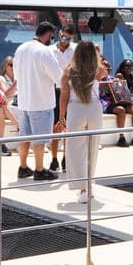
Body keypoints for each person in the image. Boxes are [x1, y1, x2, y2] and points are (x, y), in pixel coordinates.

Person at [13, 22, 67, 181]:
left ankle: (22, 167)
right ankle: (39, 169)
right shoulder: (44, 51)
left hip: (24, 102)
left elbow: (16, 74)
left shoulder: (21, 48)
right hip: (41, 101)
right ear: (49, 34)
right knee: (40, 138)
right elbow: (58, 77)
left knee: (24, 137)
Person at [60, 41, 102, 204]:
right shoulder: (98, 69)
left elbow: (64, 96)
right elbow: (104, 68)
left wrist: (61, 117)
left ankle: (82, 188)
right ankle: (88, 187)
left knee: (75, 150)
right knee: (93, 149)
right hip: (94, 109)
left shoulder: (69, 71)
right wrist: (96, 54)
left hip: (76, 109)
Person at [45, 23, 77, 172]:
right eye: (64, 37)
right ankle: (53, 159)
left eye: (69, 38)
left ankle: (66, 158)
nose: (66, 41)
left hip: (71, 91)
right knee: (55, 126)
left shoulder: (75, 50)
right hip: (55, 90)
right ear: (59, 34)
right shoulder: (49, 50)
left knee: (69, 127)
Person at [99, 57, 133, 146]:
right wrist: (110, 85)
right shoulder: (98, 80)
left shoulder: (113, 78)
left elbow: (122, 91)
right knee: (121, 110)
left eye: (109, 68)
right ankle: (121, 137)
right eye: (106, 68)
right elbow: (101, 90)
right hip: (107, 103)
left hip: (120, 101)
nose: (108, 70)